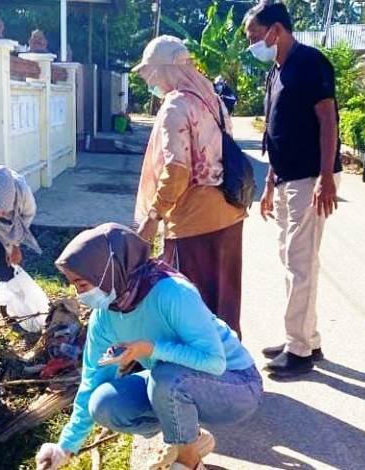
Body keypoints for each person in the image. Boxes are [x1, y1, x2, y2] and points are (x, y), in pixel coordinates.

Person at [35, 224, 262, 470]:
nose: (78, 295)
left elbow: (214, 361)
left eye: (81, 284)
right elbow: (92, 380)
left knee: (165, 377)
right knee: (104, 403)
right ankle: (191, 438)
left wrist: (153, 349)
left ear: (107, 270)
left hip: (237, 384)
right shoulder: (106, 315)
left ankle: (189, 462)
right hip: (176, 382)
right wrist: (64, 447)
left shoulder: (172, 292)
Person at [244, 2, 342, 377]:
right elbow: (276, 131)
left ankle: (298, 350)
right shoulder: (277, 70)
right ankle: (306, 339)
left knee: (299, 263)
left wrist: (326, 177)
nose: (254, 43)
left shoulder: (310, 63)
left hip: (309, 179)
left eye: (256, 36)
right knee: (295, 261)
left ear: (276, 30)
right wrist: (269, 181)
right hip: (286, 178)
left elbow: (328, 121)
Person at [133, 35, 247, 337]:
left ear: (165, 69)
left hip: (194, 222)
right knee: (225, 301)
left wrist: (154, 215)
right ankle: (233, 372)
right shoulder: (213, 100)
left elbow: (177, 169)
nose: (150, 80)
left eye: (150, 72)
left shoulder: (176, 106)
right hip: (230, 212)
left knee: (192, 308)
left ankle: (200, 377)